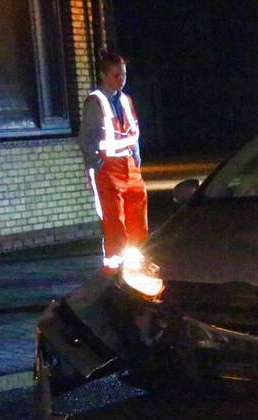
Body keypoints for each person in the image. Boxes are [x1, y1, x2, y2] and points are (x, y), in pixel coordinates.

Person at [79, 51, 148, 271]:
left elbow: (133, 133)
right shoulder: (95, 102)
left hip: (129, 165)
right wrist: (96, 164)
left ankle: (136, 265)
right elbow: (87, 138)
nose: (121, 79)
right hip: (107, 167)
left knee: (138, 217)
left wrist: (136, 159)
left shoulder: (126, 100)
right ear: (104, 76)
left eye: (124, 74)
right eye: (116, 75)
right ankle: (114, 270)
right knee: (114, 222)